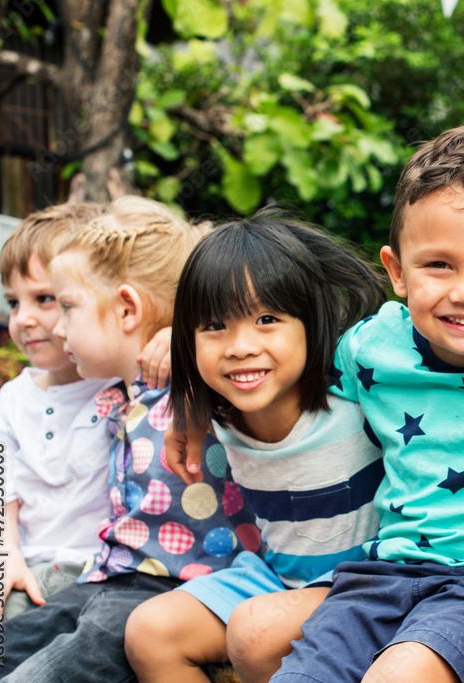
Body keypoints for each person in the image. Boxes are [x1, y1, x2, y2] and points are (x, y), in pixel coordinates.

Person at [257, 123, 464, 683]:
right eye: (439, 265)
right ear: (397, 271)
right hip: (382, 576)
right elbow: (278, 382)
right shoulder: (371, 348)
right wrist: (182, 359)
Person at [0, 196, 256, 683]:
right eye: (14, 301)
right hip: (104, 577)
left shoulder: (199, 379)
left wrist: (184, 337)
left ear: (127, 308)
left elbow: (249, 334)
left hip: (169, 585)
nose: (53, 328)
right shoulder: (109, 395)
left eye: (59, 305)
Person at [123, 211, 386, 683]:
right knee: (149, 632)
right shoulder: (218, 412)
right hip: (278, 578)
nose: (240, 346)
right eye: (215, 326)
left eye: (267, 319)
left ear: (311, 322)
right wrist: (188, 403)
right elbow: (184, 361)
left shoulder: (355, 392)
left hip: (371, 581)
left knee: (255, 631)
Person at [0, 204, 114, 645]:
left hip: (82, 565)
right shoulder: (14, 398)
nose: (23, 319)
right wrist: (3, 559)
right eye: (14, 302)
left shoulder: (126, 387)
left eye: (44, 299)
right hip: (8, 549)